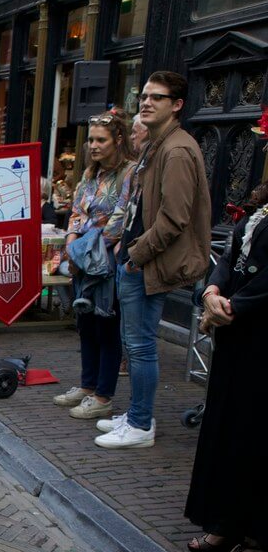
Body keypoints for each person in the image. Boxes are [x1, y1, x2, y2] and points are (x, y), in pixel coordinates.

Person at [96, 71, 211, 449]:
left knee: (142, 346)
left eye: (156, 97)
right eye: (144, 95)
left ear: (176, 105)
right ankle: (135, 413)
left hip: (147, 264)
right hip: (138, 261)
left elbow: (175, 218)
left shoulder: (176, 150)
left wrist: (134, 256)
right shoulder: (157, 144)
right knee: (136, 343)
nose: (146, 102)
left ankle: (142, 424)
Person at [183, 197, 268, 552]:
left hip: (261, 341)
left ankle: (256, 542)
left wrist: (235, 306)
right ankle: (226, 522)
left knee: (256, 435)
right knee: (228, 427)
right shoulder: (261, 207)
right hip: (237, 340)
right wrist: (212, 292)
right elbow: (230, 254)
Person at [53, 112, 136, 421]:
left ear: (118, 140)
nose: (93, 145)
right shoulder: (90, 174)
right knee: (85, 324)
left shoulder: (130, 173)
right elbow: (76, 212)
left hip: (105, 260)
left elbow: (120, 219)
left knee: (106, 327)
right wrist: (72, 247)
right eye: (90, 139)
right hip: (82, 257)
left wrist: (86, 247)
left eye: (100, 139)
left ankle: (103, 395)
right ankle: (88, 386)